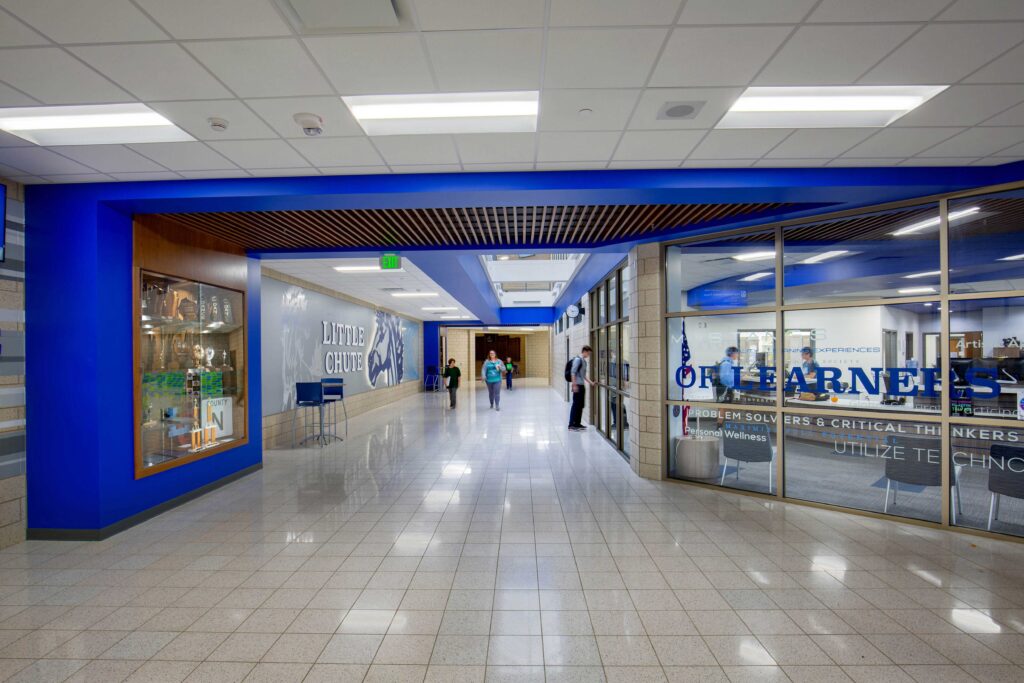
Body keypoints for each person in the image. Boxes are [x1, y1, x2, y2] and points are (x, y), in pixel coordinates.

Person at [568, 345, 595, 431]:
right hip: (577, 386)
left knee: (580, 405)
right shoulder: (577, 360)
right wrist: (574, 385)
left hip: (581, 385)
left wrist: (591, 382)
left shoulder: (584, 361)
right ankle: (571, 425)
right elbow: (573, 372)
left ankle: (577, 423)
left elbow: (583, 375)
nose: (588, 355)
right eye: (588, 353)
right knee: (575, 405)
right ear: (585, 351)